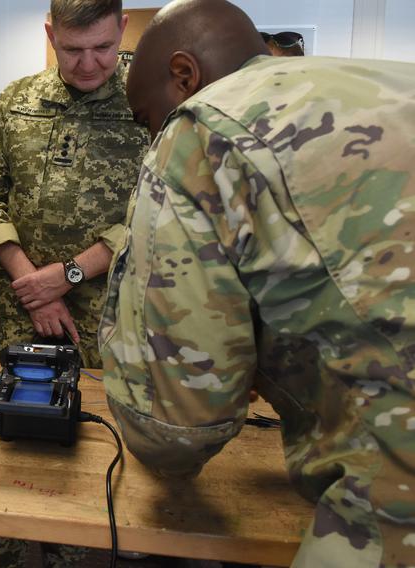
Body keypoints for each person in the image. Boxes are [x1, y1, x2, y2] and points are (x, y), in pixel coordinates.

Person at [102, 0, 415, 566]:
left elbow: (174, 425)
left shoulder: (201, 128)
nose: (153, 134)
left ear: (184, 76)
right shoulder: (388, 81)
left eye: (147, 118)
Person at [0, 0, 149, 368]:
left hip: (114, 313)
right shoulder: (16, 100)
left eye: (102, 48)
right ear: (51, 35)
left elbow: (158, 212)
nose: (87, 64)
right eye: (72, 50)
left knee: (107, 418)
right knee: (14, 412)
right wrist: (36, 286)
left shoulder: (148, 100)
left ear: (122, 27)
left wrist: (69, 273)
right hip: (22, 308)